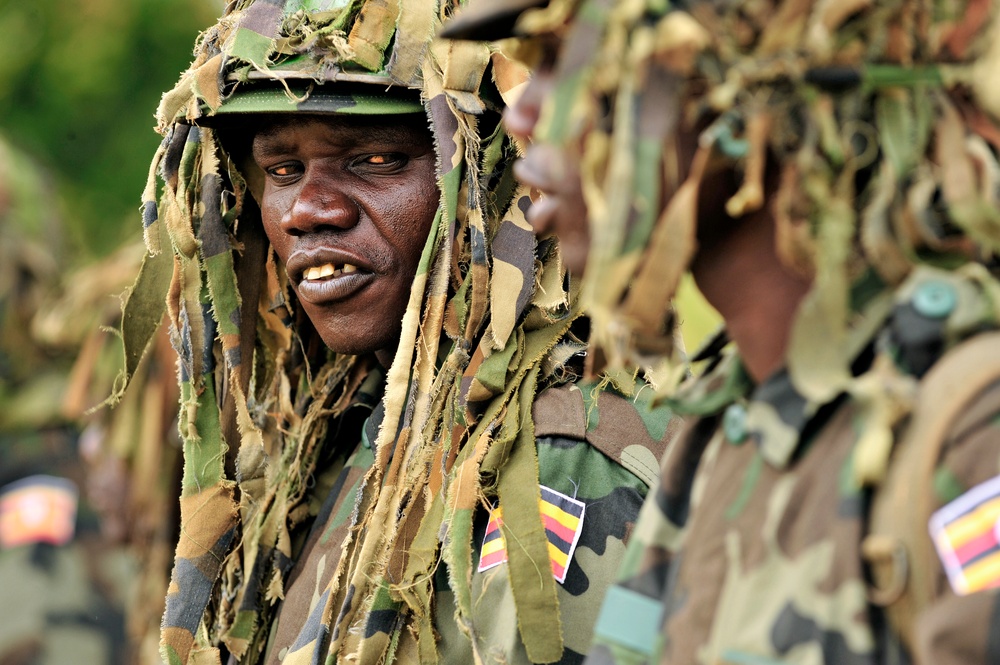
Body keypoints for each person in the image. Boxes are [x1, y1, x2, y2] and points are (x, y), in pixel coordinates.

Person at [443, 0, 1000, 663]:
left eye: (579, 62)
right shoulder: (715, 436)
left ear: (747, 87)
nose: (527, 116)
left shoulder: (969, 435)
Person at [127, 1, 676, 663]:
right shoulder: (341, 439)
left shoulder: (554, 452)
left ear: (490, 181)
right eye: (281, 170)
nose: (308, 209)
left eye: (378, 159)